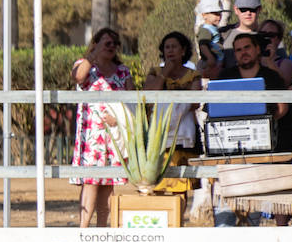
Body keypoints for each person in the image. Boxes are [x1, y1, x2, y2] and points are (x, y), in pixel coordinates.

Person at [211, 32, 288, 242]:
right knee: (226, 191)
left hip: (262, 145)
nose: (243, 53)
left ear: (256, 50)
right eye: (238, 50)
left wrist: (265, 124)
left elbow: (282, 108)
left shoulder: (271, 77)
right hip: (230, 146)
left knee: (256, 194)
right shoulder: (226, 76)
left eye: (247, 48)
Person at [71, 27, 131, 228]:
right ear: (96, 44)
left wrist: (119, 119)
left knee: (108, 186)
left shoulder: (123, 71)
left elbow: (131, 102)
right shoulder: (85, 66)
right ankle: (84, 231)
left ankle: (102, 231)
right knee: (91, 183)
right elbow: (79, 78)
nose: (111, 47)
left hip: (114, 135)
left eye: (115, 43)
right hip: (91, 135)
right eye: (107, 43)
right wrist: (93, 55)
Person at [143, 31, 200, 195]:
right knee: (158, 184)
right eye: (167, 47)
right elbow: (149, 96)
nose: (170, 50)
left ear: (183, 50)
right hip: (158, 137)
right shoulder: (155, 72)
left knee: (181, 186)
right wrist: (164, 74)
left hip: (184, 137)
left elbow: (195, 101)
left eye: (174, 47)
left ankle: (178, 220)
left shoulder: (193, 75)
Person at [222, 0, 263, 68]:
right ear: (236, 10)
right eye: (243, 9)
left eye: (252, 9)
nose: (248, 13)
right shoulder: (222, 34)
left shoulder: (269, 35)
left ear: (259, 10)